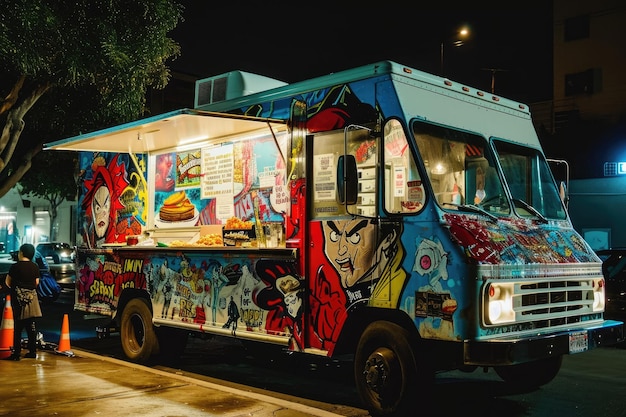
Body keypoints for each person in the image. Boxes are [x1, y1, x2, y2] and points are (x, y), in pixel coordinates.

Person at [4, 243, 42, 360]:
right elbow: (36, 283)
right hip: (32, 299)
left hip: (19, 299)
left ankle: (16, 353)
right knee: (31, 327)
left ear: (21, 253)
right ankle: (32, 351)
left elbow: (7, 282)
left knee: (18, 327)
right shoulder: (35, 267)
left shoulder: (15, 267)